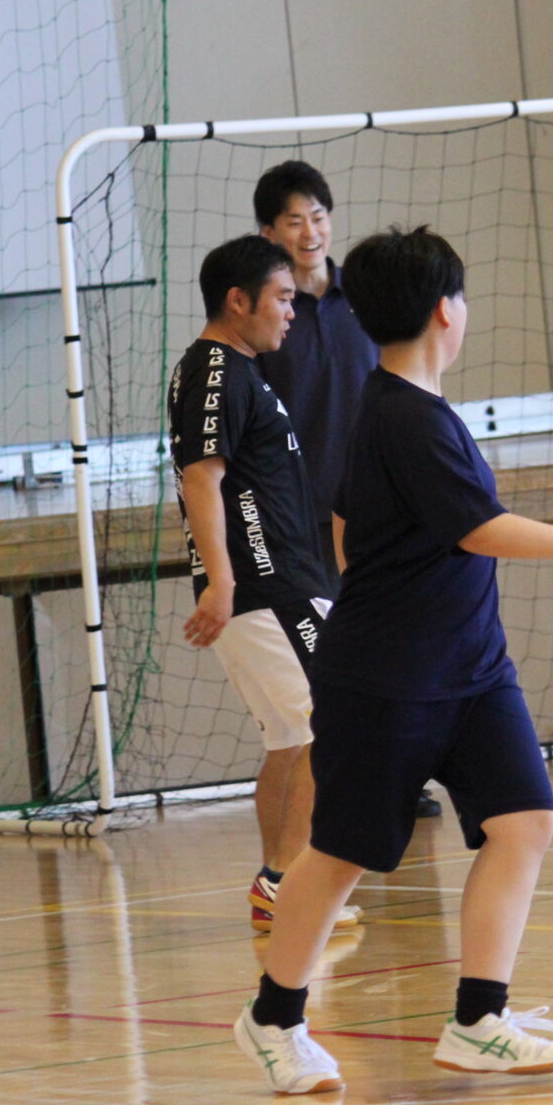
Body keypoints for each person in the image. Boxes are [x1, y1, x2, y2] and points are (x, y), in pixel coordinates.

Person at [233, 226, 553, 1095]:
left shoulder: (403, 408)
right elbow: (478, 528)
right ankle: (273, 1018)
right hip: (390, 680)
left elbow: (351, 525)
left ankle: (480, 1018)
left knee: (524, 821)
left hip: (472, 669)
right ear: (444, 312)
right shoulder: (402, 413)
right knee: (342, 852)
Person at [168, 235, 357, 933]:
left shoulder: (239, 372)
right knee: (327, 722)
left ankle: (277, 883)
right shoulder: (217, 369)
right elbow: (201, 478)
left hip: (280, 580)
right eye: (281, 298)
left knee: (291, 734)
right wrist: (220, 580)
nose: (291, 312)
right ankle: (291, 881)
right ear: (237, 300)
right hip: (266, 583)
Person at [254, 160, 444, 828]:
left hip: (374, 506)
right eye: (294, 220)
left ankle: (407, 775)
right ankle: (349, 782)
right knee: (327, 661)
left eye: (319, 216)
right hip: (295, 519)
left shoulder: (365, 303)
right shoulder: (267, 316)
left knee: (398, 639)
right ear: (269, 232)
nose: (310, 231)